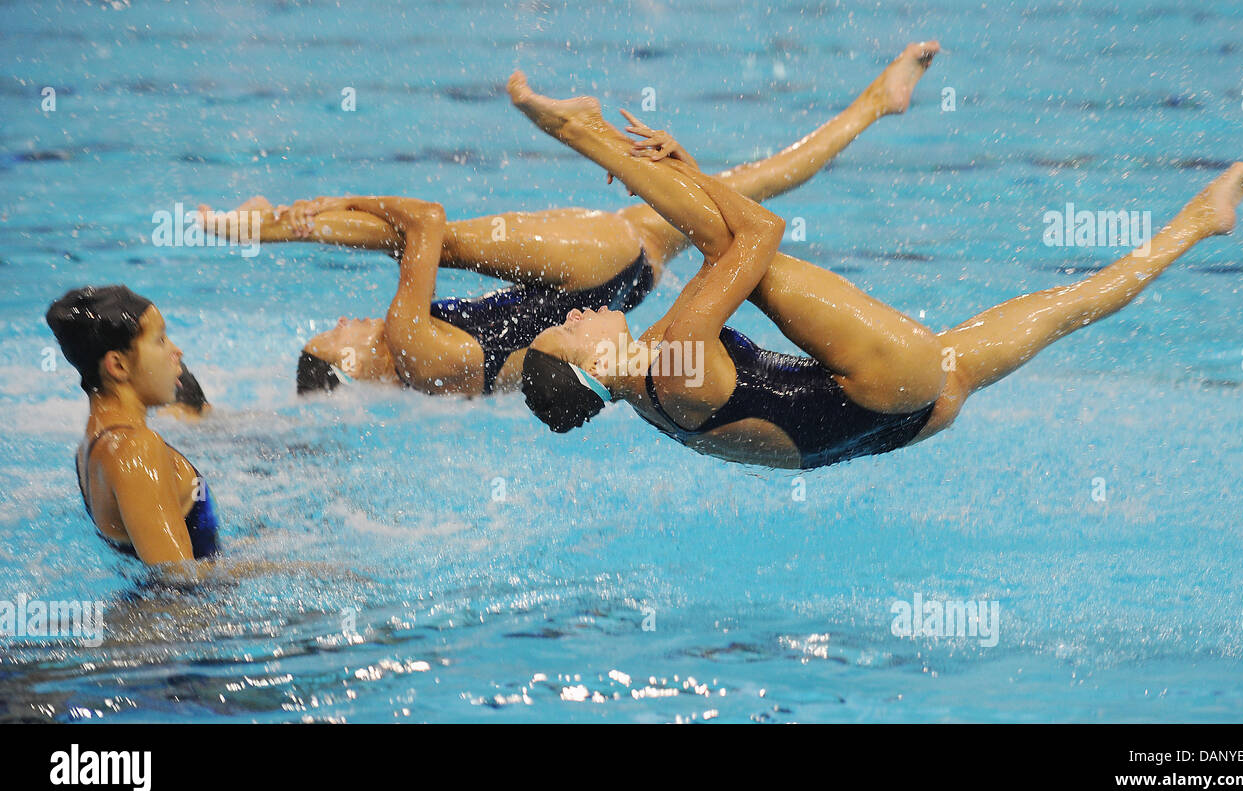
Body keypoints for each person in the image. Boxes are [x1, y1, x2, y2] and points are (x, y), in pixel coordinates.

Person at [508, 54, 1243, 469]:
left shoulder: (654, 395)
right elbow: (760, 233)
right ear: (595, 366)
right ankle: (584, 135)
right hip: (884, 382)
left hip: (905, 419)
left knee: (1069, 308)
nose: (573, 313)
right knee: (731, 250)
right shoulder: (669, 363)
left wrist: (696, 174)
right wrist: (694, 171)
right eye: (569, 332)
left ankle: (1201, 222)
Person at [199, 43, 940, 396]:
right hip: (595, 275)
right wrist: (323, 207)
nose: (340, 323)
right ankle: (270, 226)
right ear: (349, 367)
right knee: (443, 238)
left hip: (609, 295)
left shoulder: (429, 386)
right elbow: (424, 219)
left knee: (741, 191)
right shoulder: (410, 345)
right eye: (333, 337)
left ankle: (877, 103)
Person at [46, 286, 221, 562]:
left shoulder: (88, 450)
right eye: (161, 340)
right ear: (118, 365)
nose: (177, 351)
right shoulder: (137, 449)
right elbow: (179, 582)